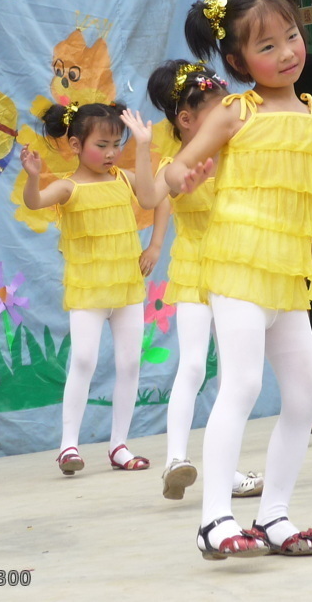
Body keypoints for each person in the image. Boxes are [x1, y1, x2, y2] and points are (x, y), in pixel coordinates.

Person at [163, 0, 312, 560]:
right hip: (236, 264)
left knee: (305, 395)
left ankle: (273, 514)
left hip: (287, 275)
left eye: (292, 37)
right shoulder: (232, 112)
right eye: (267, 46)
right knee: (244, 382)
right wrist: (185, 173)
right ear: (236, 62)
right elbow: (174, 173)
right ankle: (215, 519)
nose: (286, 53)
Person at [120, 63, 264, 502]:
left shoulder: (239, 150)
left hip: (237, 265)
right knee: (196, 366)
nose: (229, 114)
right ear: (185, 119)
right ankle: (176, 460)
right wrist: (142, 148)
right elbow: (153, 195)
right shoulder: (176, 164)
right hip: (196, 267)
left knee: (235, 375)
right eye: (218, 107)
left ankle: (227, 470)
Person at [21, 101, 154, 476]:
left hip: (127, 286)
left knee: (130, 364)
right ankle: (68, 446)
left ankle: (119, 446)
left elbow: (154, 198)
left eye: (117, 144)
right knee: (83, 360)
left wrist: (155, 245)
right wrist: (33, 176)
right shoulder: (68, 187)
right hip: (88, 289)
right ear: (77, 145)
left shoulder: (125, 179)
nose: (111, 153)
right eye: (102, 145)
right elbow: (34, 202)